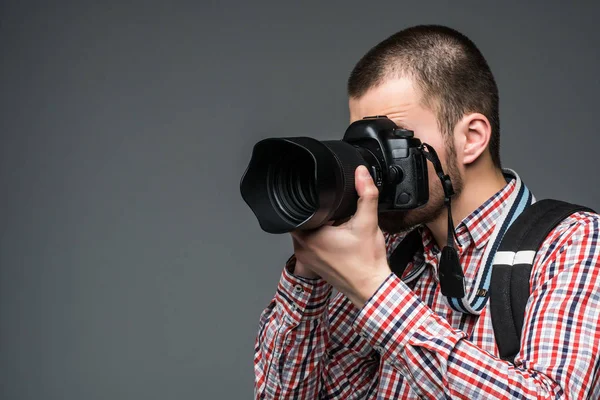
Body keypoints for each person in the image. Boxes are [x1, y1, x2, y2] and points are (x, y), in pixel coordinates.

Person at [253, 25, 600, 399]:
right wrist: (309, 276)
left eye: (391, 139)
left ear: (471, 139)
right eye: (362, 141)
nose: (373, 165)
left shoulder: (574, 242)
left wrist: (374, 291)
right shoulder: (386, 250)